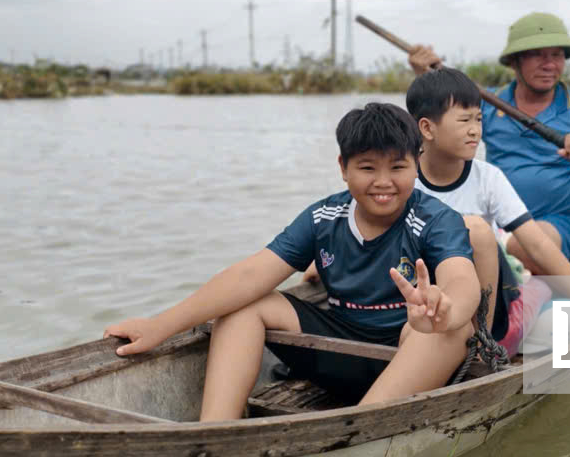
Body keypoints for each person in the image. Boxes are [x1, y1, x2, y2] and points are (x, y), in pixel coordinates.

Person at [104, 103, 480, 417]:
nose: (383, 182)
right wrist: (161, 326)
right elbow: (250, 274)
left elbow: (462, 280)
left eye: (397, 168)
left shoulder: (435, 219)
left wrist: (443, 311)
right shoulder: (323, 218)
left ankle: (359, 428)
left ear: (416, 164)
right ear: (343, 167)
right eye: (368, 168)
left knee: (452, 328)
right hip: (341, 348)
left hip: (412, 356)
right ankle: (214, 432)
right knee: (244, 304)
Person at [402, 64, 570, 318]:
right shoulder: (402, 179)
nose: (475, 130)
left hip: (483, 297)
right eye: (464, 120)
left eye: (478, 119)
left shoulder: (488, 178)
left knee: (474, 230)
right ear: (427, 128)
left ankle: (483, 332)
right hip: (423, 289)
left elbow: (538, 244)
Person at [458, 13, 570, 261]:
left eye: (556, 55)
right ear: (514, 62)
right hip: (497, 218)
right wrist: (425, 73)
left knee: (529, 244)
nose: (549, 65)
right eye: (537, 55)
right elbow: (441, 132)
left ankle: (504, 257)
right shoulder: (489, 103)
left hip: (557, 223)